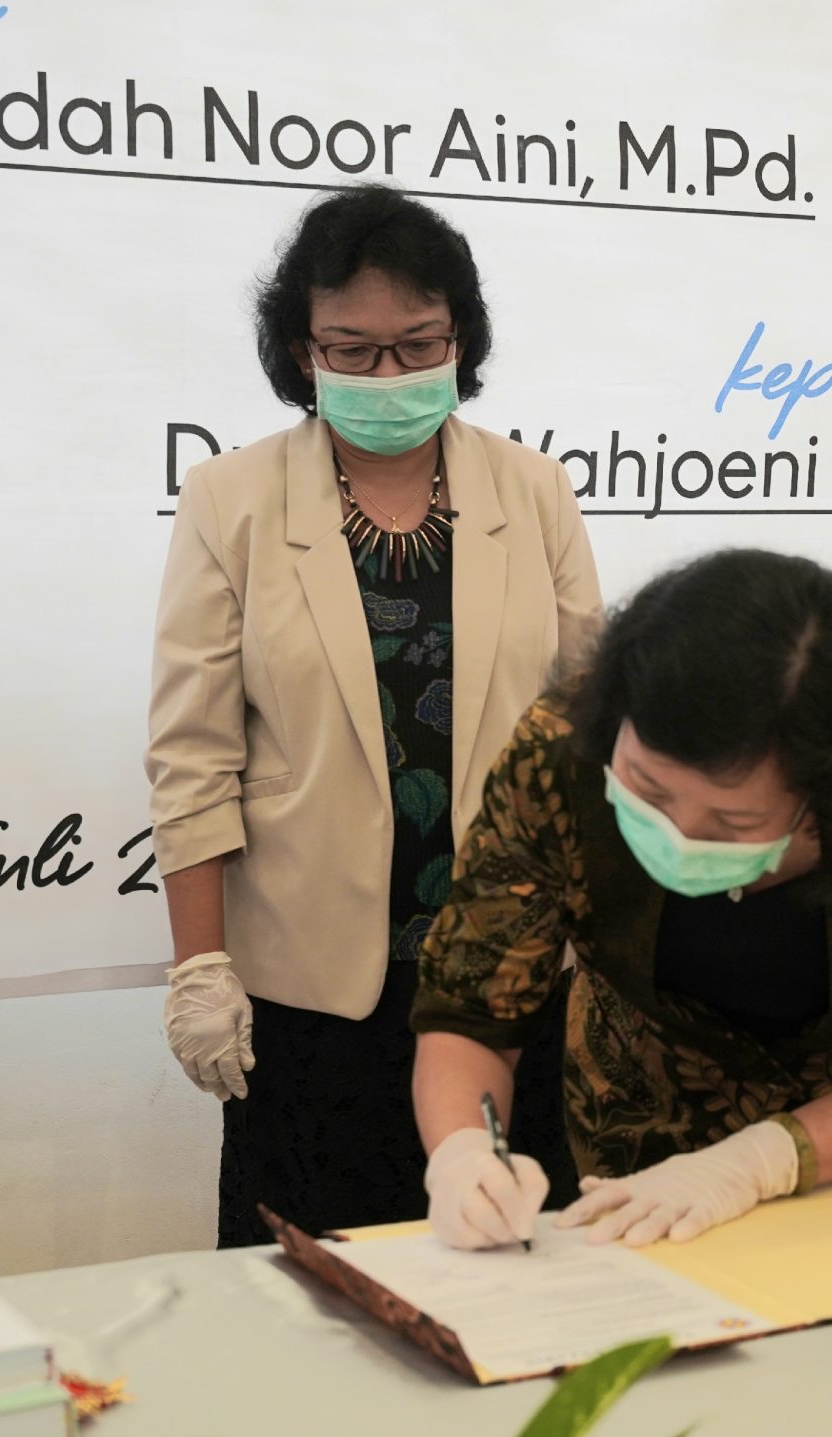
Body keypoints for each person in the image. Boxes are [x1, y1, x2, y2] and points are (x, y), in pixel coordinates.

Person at [145, 184, 603, 1246]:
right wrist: (200, 967)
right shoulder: (231, 499)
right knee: (313, 1284)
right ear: (300, 351)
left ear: (460, 340)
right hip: (310, 990)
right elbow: (192, 753)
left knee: (511, 1264)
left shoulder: (535, 492)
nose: (387, 375)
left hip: (508, 968)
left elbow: (586, 729)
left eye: (417, 345)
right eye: (351, 350)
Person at [408, 550, 832, 1251]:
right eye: (648, 790)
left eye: (732, 823)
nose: (680, 834)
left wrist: (757, 1162)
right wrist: (463, 1153)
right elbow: (471, 1007)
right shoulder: (558, 748)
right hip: (642, 1150)